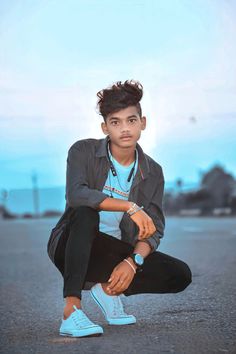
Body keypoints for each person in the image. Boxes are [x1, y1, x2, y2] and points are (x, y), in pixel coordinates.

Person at [47, 79, 192, 338]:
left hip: (112, 252)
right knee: (85, 212)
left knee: (179, 274)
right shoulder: (83, 151)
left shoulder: (153, 172)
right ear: (105, 127)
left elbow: (154, 228)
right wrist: (130, 206)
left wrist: (132, 261)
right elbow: (77, 195)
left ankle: (108, 288)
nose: (125, 129)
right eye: (116, 122)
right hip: (69, 245)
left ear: (143, 123)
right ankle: (71, 311)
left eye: (131, 120)